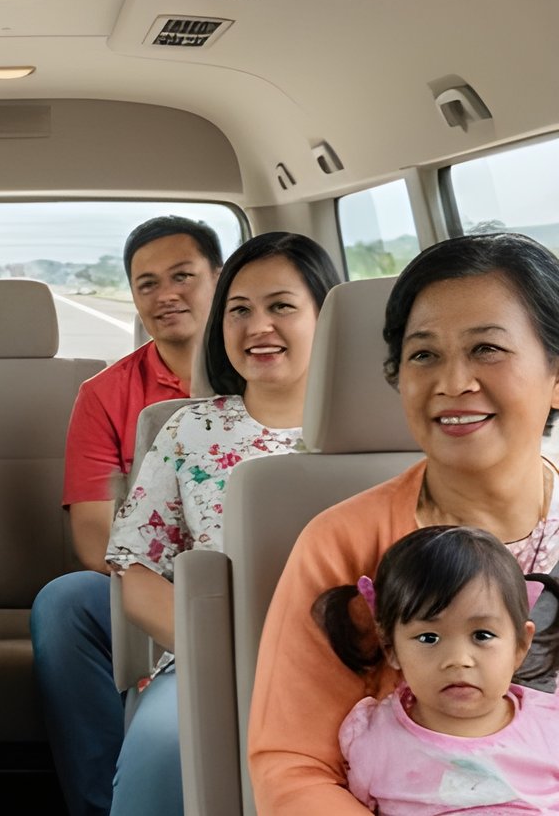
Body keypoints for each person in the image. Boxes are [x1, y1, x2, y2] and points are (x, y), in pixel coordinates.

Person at [250, 233, 559, 816]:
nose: (453, 382)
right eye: (423, 355)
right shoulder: (340, 544)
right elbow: (295, 768)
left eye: (487, 348)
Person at [104, 231, 341, 816]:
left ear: (328, 318)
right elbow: (135, 570)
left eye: (281, 306)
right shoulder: (189, 431)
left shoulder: (383, 435)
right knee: (164, 744)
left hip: (362, 662)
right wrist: (222, 652)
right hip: (212, 661)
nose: (258, 327)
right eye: (239, 310)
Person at [31, 217, 224, 816]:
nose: (166, 295)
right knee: (64, 600)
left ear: (220, 279)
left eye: (183, 276)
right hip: (149, 583)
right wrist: (166, 597)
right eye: (148, 284)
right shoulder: (107, 394)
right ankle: (102, 801)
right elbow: (95, 539)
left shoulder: (277, 376)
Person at [311, 525, 559, 813]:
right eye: (429, 638)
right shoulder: (374, 740)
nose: (458, 659)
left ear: (520, 645)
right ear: (391, 648)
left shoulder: (551, 727)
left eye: (482, 635)